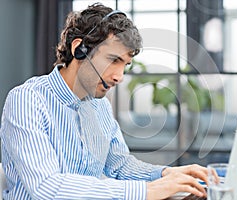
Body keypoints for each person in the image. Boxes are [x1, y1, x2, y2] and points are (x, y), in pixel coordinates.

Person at [0, 3, 209, 199]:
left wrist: (166, 175)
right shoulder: (28, 100)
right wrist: (145, 192)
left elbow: (120, 166)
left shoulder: (100, 105)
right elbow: (46, 187)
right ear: (79, 49)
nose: (119, 76)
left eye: (125, 65)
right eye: (113, 60)